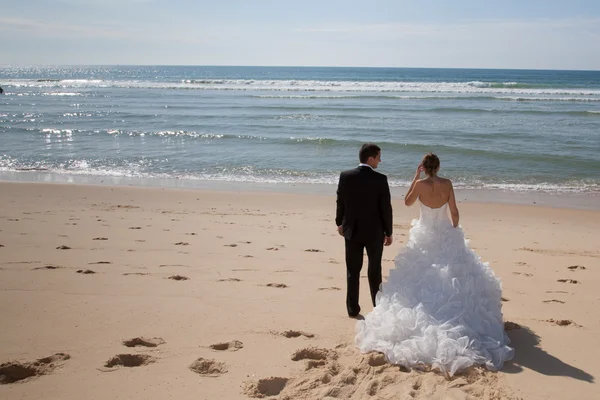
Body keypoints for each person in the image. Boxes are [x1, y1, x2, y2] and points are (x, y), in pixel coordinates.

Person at [355, 153, 514, 377]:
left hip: (424, 234)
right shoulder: (447, 184)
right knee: (453, 275)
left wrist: (414, 177)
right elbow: (454, 211)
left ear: (424, 168)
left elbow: (407, 201)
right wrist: (455, 229)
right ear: (438, 167)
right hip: (444, 232)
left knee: (419, 275)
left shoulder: (419, 185)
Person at [336, 143, 393, 318]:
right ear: (370, 158)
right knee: (374, 270)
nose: (380, 160)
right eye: (378, 157)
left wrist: (339, 222)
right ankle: (377, 307)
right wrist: (388, 232)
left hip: (351, 230)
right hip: (374, 232)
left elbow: (340, 201)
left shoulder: (346, 176)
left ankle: (352, 309)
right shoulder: (380, 179)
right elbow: (386, 208)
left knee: (352, 271)